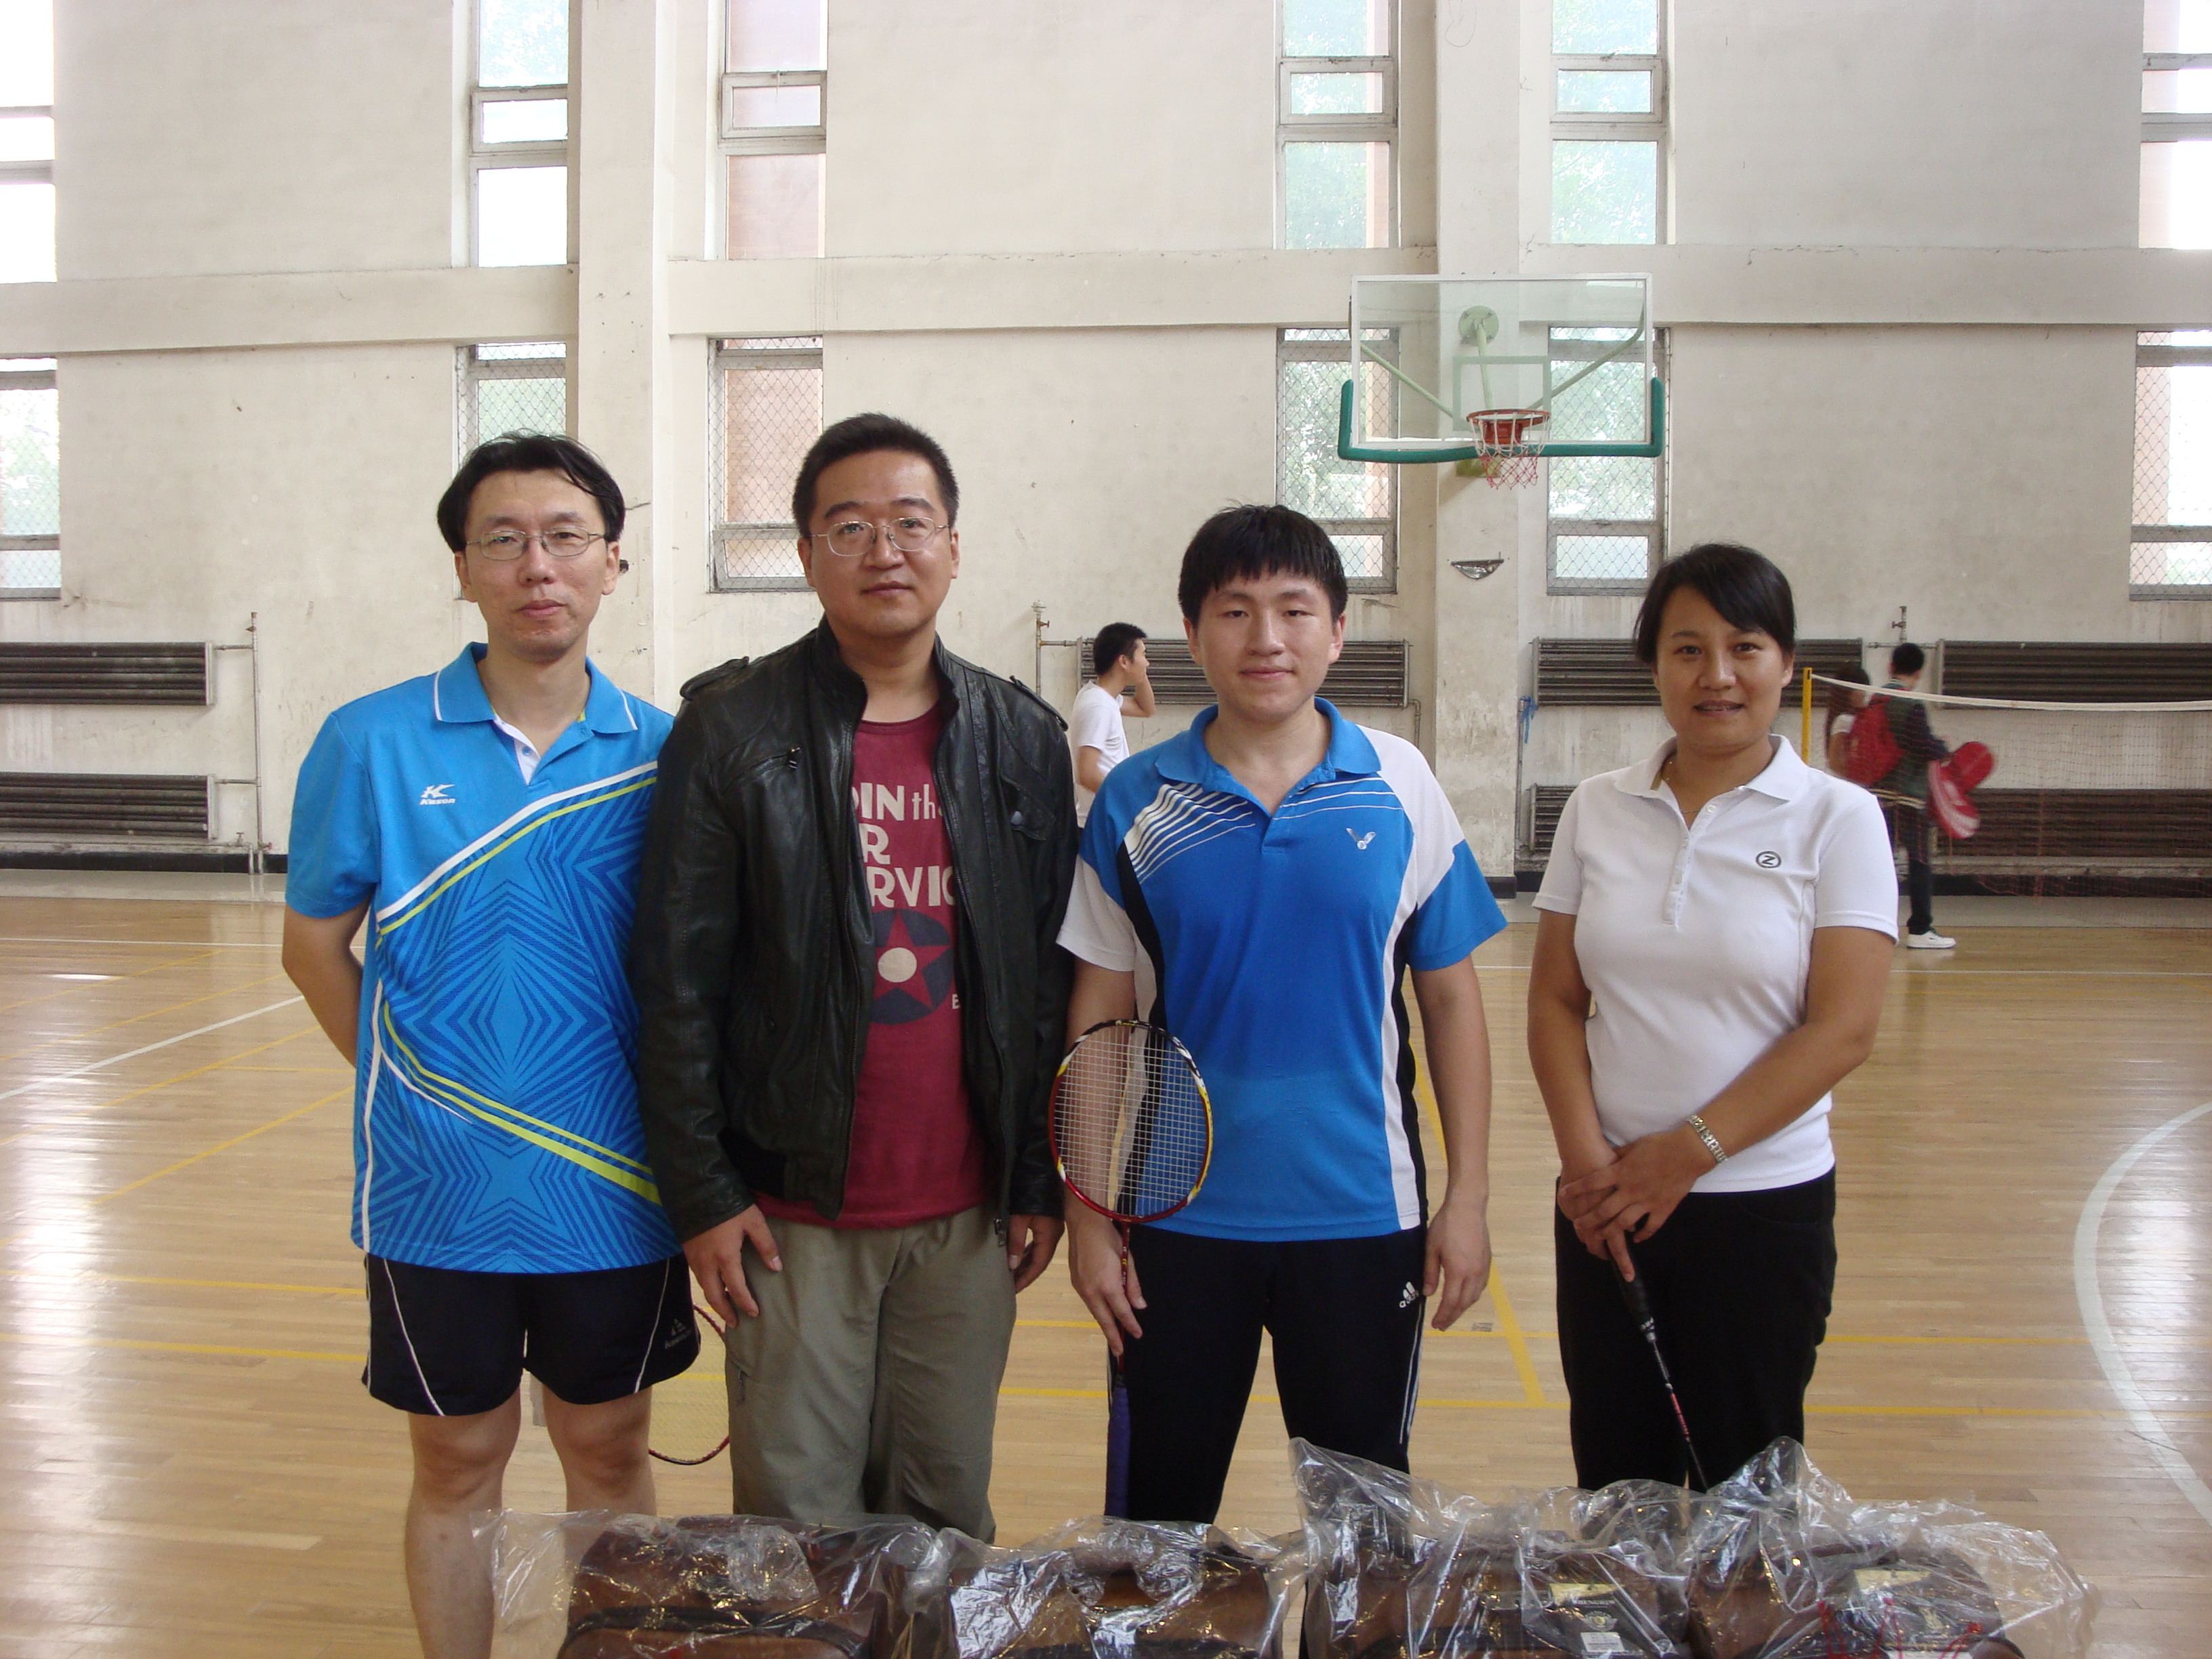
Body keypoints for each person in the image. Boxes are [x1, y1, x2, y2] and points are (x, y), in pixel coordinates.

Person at [628, 412, 1076, 1541]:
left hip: (964, 1215)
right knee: (799, 1528)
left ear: (953, 546)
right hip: (790, 1213)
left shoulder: (1019, 736)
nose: (885, 550)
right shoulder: (730, 731)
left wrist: (1035, 1175)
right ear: (806, 553)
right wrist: (703, 1192)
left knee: (943, 1515)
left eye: (911, 523)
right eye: (850, 527)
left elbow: (1042, 984)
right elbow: (675, 980)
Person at [281, 434, 693, 1659]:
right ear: (462, 568)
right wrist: (416, 1088)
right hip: (435, 1192)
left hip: (615, 1181)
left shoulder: (667, 752)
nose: (536, 566)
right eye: (502, 540)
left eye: (565, 537)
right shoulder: (371, 741)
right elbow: (314, 948)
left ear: (613, 562)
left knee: (607, 1444)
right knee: (458, 1454)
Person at [1059, 504, 1506, 1524]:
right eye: (1235, 611)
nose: (1266, 638)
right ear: (1192, 633)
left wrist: (1469, 1198)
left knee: (1364, 1531)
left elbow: (1451, 1001)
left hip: (1365, 1217)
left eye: (1295, 610)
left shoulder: (1400, 783)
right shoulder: (1135, 801)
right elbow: (1099, 1023)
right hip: (1175, 1222)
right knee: (1160, 1527)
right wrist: (1088, 1216)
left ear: (1337, 631)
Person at [1526, 541, 1896, 1493]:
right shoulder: (1596, 810)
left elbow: (1844, 1028)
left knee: (1747, 1496)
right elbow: (1557, 997)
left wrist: (1686, 1153)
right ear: (1654, 664)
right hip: (1607, 1205)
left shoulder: (1840, 818)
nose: (1717, 675)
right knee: (1618, 1488)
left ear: (1787, 664)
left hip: (1760, 1209)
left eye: (1745, 647)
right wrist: (1588, 1166)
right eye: (1688, 649)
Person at [1872, 643, 1955, 950]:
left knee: (1880, 863)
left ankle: (1874, 923)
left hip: (1877, 793)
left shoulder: (1875, 699)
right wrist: (1941, 747)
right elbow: (1921, 745)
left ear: (1891, 666)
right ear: (1919, 672)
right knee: (1920, 861)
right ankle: (1921, 929)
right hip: (1907, 795)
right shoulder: (1910, 703)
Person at [1070, 622, 1155, 820]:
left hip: (1108, 816)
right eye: (1143, 655)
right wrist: (1130, 800)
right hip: (1102, 821)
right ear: (1124, 661)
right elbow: (1087, 774)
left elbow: (1146, 709)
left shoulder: (1103, 697)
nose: (1147, 663)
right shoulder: (1098, 706)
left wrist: (1139, 672)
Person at [1822, 663, 1871, 775]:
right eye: (1861, 689)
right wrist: (1853, 777)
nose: (1864, 694)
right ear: (1848, 692)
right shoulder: (1844, 720)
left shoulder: (1862, 716)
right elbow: (1834, 762)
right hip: (1844, 780)